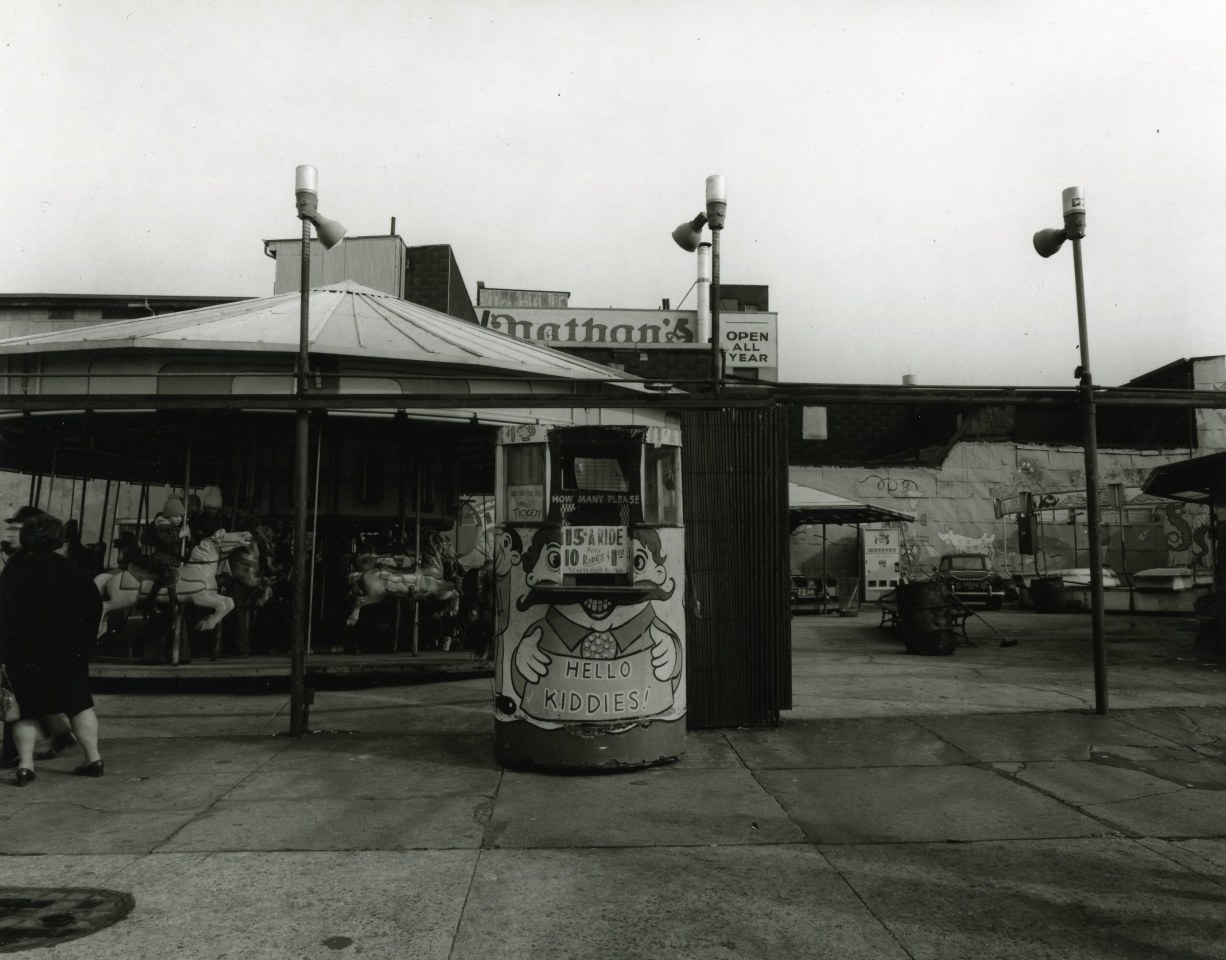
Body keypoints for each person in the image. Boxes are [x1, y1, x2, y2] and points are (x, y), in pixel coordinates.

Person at [0, 513, 105, 785]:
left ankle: (25, 766)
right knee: (79, 707)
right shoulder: (73, 571)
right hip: (69, 653)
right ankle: (93, 758)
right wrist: (86, 642)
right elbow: (94, 606)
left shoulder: (14, 571)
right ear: (58, 539)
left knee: (26, 711)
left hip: (25, 653)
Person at [0, 506, 78, 770]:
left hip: (21, 642)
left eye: (16, 528)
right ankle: (57, 732)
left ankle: (15, 754)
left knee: (15, 695)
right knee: (25, 695)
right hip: (32, 642)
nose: (9, 533)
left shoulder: (22, 563)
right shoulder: (22, 559)